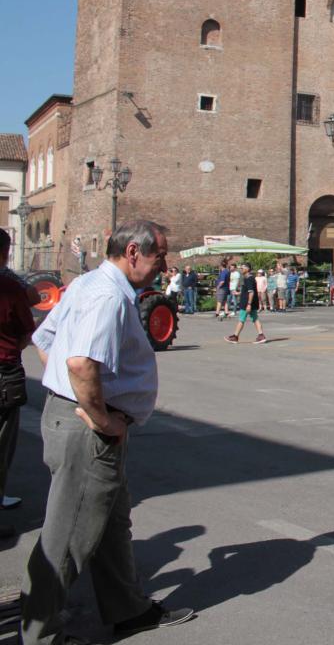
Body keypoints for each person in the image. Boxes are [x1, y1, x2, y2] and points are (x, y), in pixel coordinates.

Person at [21, 220, 194, 643]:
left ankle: (128, 608)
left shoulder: (88, 284)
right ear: (133, 252)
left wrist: (68, 393)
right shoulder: (106, 296)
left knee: (112, 523)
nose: (164, 265)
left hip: (78, 417)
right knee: (68, 537)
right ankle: (40, 635)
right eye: (160, 255)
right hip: (90, 427)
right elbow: (80, 363)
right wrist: (98, 415)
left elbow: (45, 337)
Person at [0, 229, 35, 529]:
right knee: (2, 443)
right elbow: (27, 330)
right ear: (6, 252)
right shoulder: (10, 287)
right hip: (3, 370)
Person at [226, 261, 266, 344]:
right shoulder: (248, 278)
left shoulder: (249, 279)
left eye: (243, 267)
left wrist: (249, 304)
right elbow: (247, 291)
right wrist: (238, 293)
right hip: (250, 302)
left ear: (247, 269)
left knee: (241, 319)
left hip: (247, 303)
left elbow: (251, 292)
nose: (241, 269)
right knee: (255, 319)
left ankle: (235, 337)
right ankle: (261, 335)